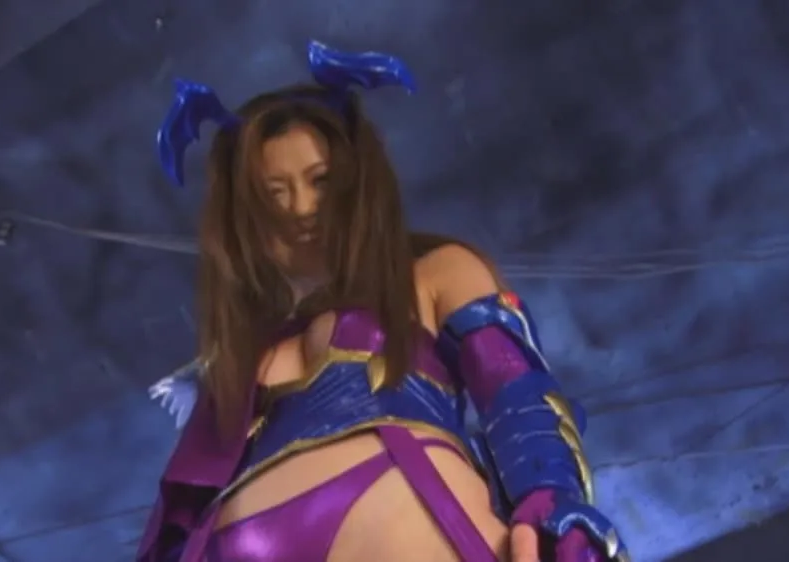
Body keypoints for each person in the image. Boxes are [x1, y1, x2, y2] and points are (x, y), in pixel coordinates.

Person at [137, 40, 629, 562]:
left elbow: (518, 398)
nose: (301, 208)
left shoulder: (434, 273)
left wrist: (548, 507)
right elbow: (183, 508)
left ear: (356, 181)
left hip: (399, 517)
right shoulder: (241, 354)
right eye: (275, 192)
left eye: (319, 180)